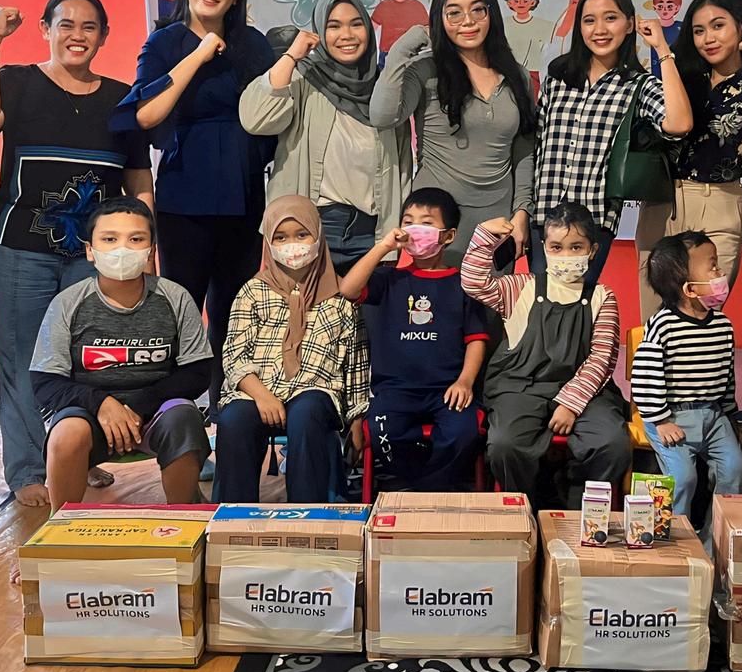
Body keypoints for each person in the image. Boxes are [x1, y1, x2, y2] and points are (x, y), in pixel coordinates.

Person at [0, 0, 153, 509]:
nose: (77, 35)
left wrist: (145, 243)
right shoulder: (18, 82)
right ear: (46, 29)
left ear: (104, 36)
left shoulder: (122, 99)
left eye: (89, 26)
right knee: (24, 358)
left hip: (93, 256)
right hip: (20, 251)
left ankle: (76, 455)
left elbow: (139, 179)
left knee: (87, 360)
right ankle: (29, 469)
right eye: (65, 24)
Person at [113, 0, 276, 404]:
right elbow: (146, 115)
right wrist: (199, 54)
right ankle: (177, 413)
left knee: (235, 313)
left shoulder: (253, 44)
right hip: (186, 194)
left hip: (244, 194)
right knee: (181, 309)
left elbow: (274, 113)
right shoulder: (164, 42)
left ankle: (229, 411)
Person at [29, 198, 212, 512]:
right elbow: (45, 381)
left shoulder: (175, 297)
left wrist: (139, 406)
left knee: (185, 418)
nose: (122, 249)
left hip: (156, 412)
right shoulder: (68, 303)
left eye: (136, 239)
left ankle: (184, 516)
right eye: (110, 239)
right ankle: (61, 526)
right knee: (66, 435)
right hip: (89, 413)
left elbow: (198, 372)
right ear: (90, 250)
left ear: (151, 251)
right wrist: (102, 404)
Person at [635, 0, 742, 321]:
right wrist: (662, 49)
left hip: (719, 202)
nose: (708, 38)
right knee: (653, 317)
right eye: (699, 30)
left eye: (718, 26)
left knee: (703, 313)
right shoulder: (683, 76)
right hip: (664, 200)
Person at [370, 0, 539, 268]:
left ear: (491, 12)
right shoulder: (426, 71)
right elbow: (382, 116)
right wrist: (405, 45)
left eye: (477, 9)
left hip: (498, 220)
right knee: (434, 298)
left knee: (489, 301)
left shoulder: (518, 76)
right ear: (440, 18)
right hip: (438, 220)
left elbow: (524, 149)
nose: (468, 21)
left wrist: (522, 211)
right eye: (454, 13)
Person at [464, 203, 629, 507]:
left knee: (612, 443)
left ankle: (580, 506)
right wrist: (484, 236)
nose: (566, 255)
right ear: (544, 248)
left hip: (587, 393)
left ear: (592, 251)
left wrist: (570, 405)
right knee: (505, 444)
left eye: (576, 247)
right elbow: (475, 284)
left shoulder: (602, 296)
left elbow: (602, 359)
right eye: (556, 247)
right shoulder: (521, 287)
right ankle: (525, 504)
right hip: (520, 386)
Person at [531, 0, 693, 287]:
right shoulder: (558, 77)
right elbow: (536, 143)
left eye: (611, 18)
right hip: (543, 216)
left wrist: (662, 49)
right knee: (539, 304)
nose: (600, 30)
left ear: (630, 24)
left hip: (593, 222)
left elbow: (679, 123)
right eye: (589, 20)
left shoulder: (637, 85)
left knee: (578, 304)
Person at [241, 0, 412, 273]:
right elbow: (256, 119)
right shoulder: (304, 78)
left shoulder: (384, 89)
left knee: (370, 303)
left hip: (372, 232)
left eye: (356, 24)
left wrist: (397, 227)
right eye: (334, 26)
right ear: (320, 32)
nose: (347, 35)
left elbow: (402, 164)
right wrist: (292, 56)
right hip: (308, 229)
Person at [214, 197, 369, 503]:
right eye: (281, 238)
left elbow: (357, 362)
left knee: (307, 414)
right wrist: (262, 396)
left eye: (302, 235)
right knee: (234, 420)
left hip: (316, 390)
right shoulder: (252, 292)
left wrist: (357, 419)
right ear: (268, 243)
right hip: (257, 390)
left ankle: (307, 514)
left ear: (318, 237)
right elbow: (234, 356)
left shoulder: (340, 298)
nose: (292, 246)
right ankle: (233, 515)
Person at [339, 187, 488, 491]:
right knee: (382, 430)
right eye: (408, 221)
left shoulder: (463, 284)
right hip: (395, 391)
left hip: (447, 390)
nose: (415, 228)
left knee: (465, 431)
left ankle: (427, 487)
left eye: (426, 222)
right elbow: (348, 289)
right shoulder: (389, 278)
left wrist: (465, 381)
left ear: (448, 235)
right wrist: (383, 247)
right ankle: (415, 484)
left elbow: (476, 339)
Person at [631, 232, 742, 531]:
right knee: (682, 478)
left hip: (713, 415)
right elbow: (644, 378)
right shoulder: (662, 325)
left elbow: (727, 375)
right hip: (671, 416)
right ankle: (675, 537)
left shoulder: (723, 325)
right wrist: (660, 420)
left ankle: (716, 538)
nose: (720, 273)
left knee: (734, 469)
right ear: (690, 289)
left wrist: (731, 416)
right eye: (713, 267)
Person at [502, 0, 553, 75]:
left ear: (533, 2)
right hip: (508, 73)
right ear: (509, 3)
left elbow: (560, 36)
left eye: (525, 0)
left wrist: (571, 11)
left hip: (533, 74)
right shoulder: (502, 24)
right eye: (516, 0)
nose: (520, 3)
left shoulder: (543, 25)